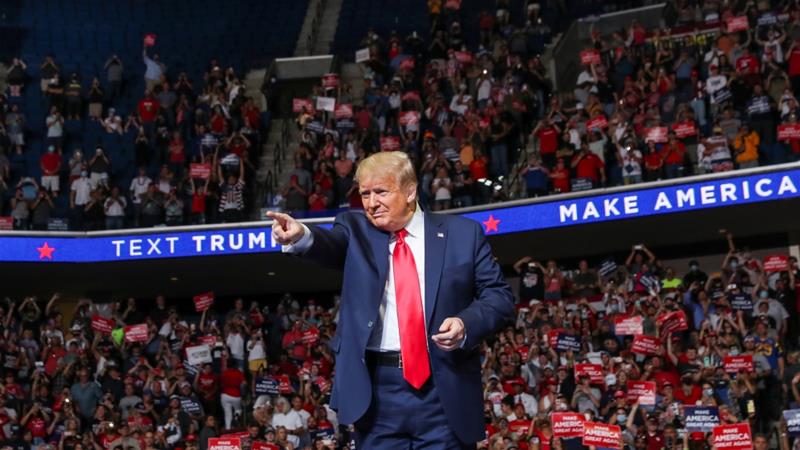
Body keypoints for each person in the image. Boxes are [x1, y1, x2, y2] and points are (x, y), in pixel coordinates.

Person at [269, 151, 514, 448]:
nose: (371, 203)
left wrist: (465, 323)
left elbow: (499, 297)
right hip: (376, 395)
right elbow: (329, 244)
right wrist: (301, 236)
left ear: (410, 191)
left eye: (381, 192)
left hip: (443, 388)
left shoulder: (463, 234)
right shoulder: (355, 229)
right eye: (365, 194)